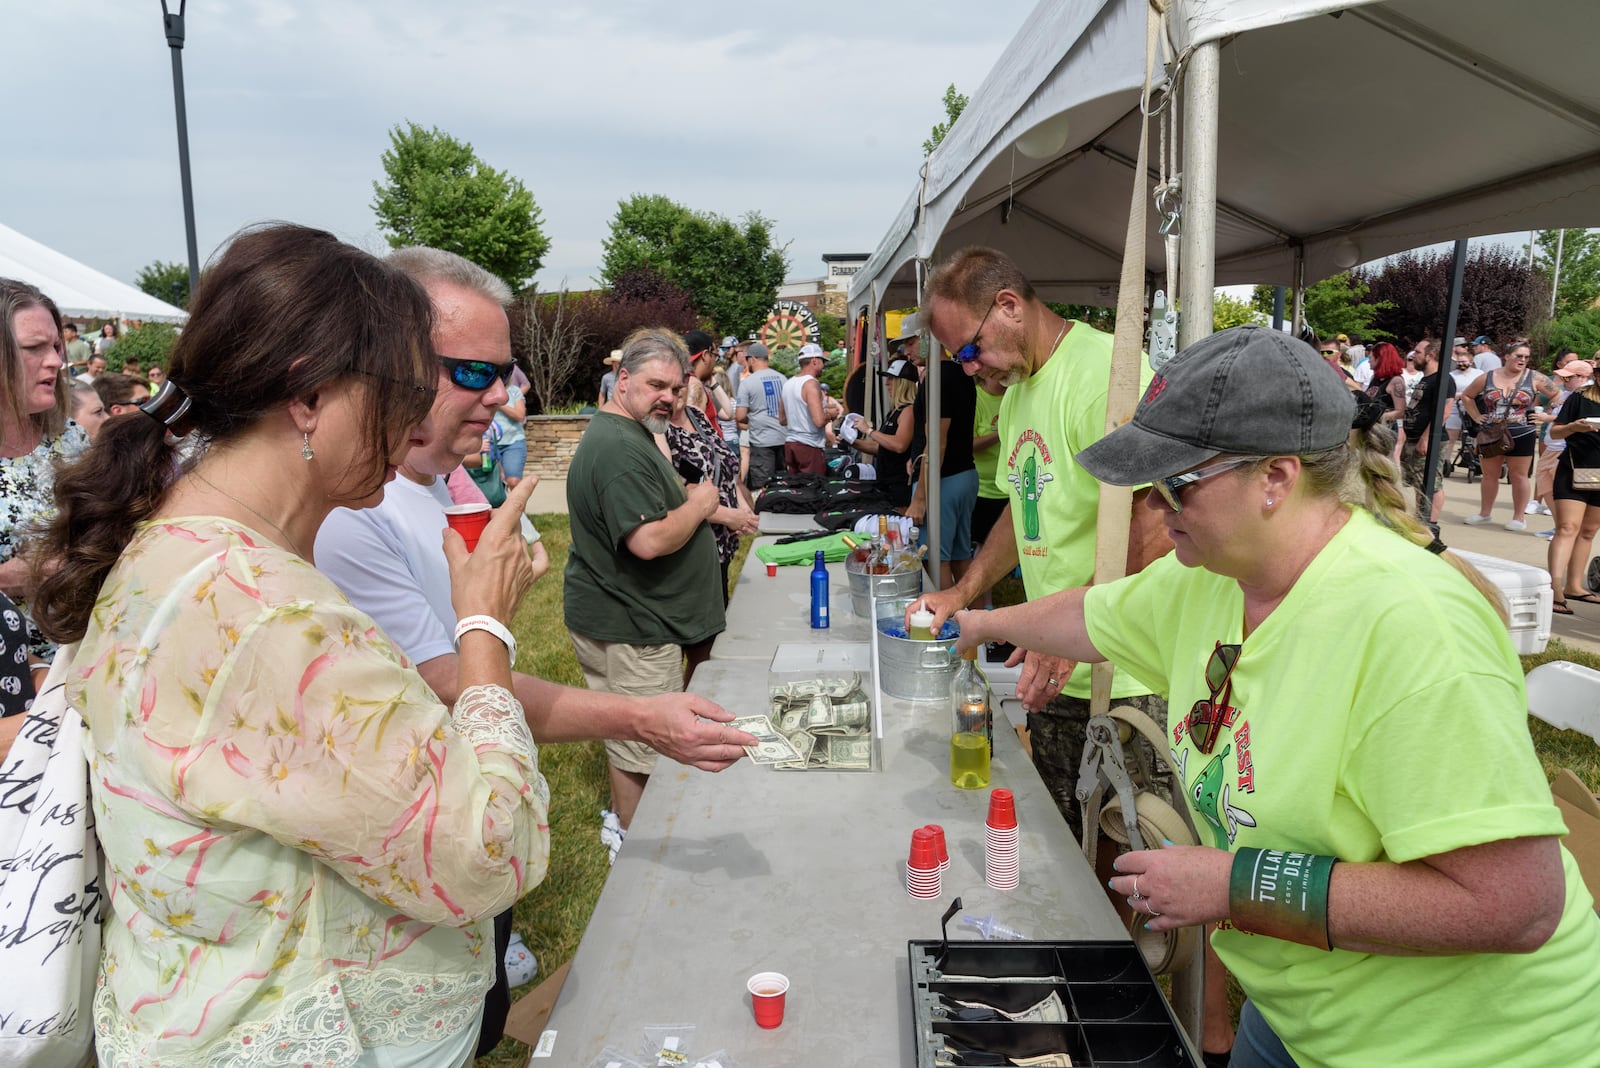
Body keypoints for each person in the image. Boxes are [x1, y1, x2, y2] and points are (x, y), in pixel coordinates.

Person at [953, 324, 1600, 1068]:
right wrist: (969, 619)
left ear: (1276, 479)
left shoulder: (1411, 626)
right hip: (1306, 1014)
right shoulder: (1208, 576)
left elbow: (1514, 903)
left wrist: (1236, 886)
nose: (1157, 507)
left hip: (1464, 1045)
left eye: (1177, 482)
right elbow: (1092, 615)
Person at [30, 222, 552, 1067]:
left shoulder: (175, 545)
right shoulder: (266, 615)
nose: (415, 417)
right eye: (402, 389)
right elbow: (487, 852)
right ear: (307, 397)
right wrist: (484, 625)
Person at [314, 248, 751, 1054]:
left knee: (477, 1001)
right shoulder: (350, 516)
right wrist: (637, 713)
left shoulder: (441, 479)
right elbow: (453, 679)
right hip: (425, 848)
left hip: (467, 817)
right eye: (474, 372)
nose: (505, 397)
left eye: (505, 373)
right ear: (387, 358)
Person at [565, 328, 726, 836]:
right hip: (634, 625)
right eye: (657, 384)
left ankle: (625, 829)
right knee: (646, 749)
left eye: (677, 389)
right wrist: (701, 503)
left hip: (636, 618)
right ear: (623, 379)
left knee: (628, 736)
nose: (669, 397)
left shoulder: (629, 433)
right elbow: (648, 541)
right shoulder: (617, 447)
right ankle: (637, 850)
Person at [0, 279, 87, 661]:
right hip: (13, 681)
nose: (54, 360)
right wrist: (8, 579)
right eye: (34, 348)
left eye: (55, 346)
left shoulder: (70, 437)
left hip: (81, 659)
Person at [658, 379, 758, 621]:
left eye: (679, 385)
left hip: (721, 543)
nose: (674, 394)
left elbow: (725, 465)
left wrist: (743, 510)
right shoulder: (658, 429)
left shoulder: (696, 415)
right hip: (693, 545)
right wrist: (731, 516)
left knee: (717, 620)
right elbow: (676, 493)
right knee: (700, 630)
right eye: (666, 387)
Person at [904, 325, 980, 590]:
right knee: (959, 557)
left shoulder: (939, 378)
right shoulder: (959, 374)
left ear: (928, 338)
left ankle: (950, 626)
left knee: (934, 560)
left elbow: (937, 442)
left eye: (911, 342)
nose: (906, 351)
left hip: (943, 481)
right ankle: (978, 618)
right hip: (963, 475)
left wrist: (920, 498)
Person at [1459, 341, 1561, 530]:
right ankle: (1484, 513)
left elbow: (1557, 395)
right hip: (1491, 431)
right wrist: (1476, 416)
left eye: (1526, 357)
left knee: (1519, 475)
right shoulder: (1488, 377)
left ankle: (1518, 517)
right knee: (1490, 474)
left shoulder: (1535, 377)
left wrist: (1545, 413)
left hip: (1522, 431)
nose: (1522, 360)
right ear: (1507, 356)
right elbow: (1467, 396)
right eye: (1518, 356)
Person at [1547, 359, 1600, 614]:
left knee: (1588, 531)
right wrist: (1573, 427)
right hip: (1576, 468)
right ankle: (1555, 588)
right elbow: (1554, 433)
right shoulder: (1579, 397)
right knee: (1567, 528)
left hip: (1599, 474)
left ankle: (1574, 586)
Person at [1397, 340, 1456, 526]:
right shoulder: (1426, 379)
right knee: (1418, 483)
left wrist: (1426, 439)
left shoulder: (1443, 379)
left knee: (1432, 484)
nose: (1413, 355)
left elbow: (1444, 412)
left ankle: (1430, 523)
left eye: (1417, 352)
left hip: (1430, 440)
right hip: (1414, 439)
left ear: (1430, 356)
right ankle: (1421, 519)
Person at [847, 357, 919, 507]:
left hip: (900, 484)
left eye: (892, 379)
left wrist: (869, 430)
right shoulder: (894, 411)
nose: (887, 383)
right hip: (886, 483)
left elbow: (899, 445)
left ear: (903, 383)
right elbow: (880, 447)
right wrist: (852, 441)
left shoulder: (909, 411)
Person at [735, 342, 785, 489]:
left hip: (761, 442)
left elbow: (740, 415)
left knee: (762, 488)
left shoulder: (747, 383)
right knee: (781, 485)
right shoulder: (783, 379)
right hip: (783, 439)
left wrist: (753, 418)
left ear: (753, 359)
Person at [778, 342, 832, 474]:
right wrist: (831, 414)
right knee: (813, 490)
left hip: (790, 444)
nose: (823, 365)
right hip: (809, 446)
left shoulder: (788, 383)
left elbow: (782, 419)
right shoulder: (811, 384)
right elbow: (819, 421)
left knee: (796, 491)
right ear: (814, 361)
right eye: (822, 361)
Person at [1444, 338, 1480, 458]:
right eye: (1459, 362)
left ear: (1471, 361)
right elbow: (1448, 393)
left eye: (1464, 361)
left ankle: (1473, 457)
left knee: (1474, 435)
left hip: (1473, 408)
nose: (1461, 364)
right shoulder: (1452, 375)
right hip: (1455, 408)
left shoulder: (1478, 374)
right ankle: (1447, 460)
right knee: (1451, 436)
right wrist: (1462, 395)